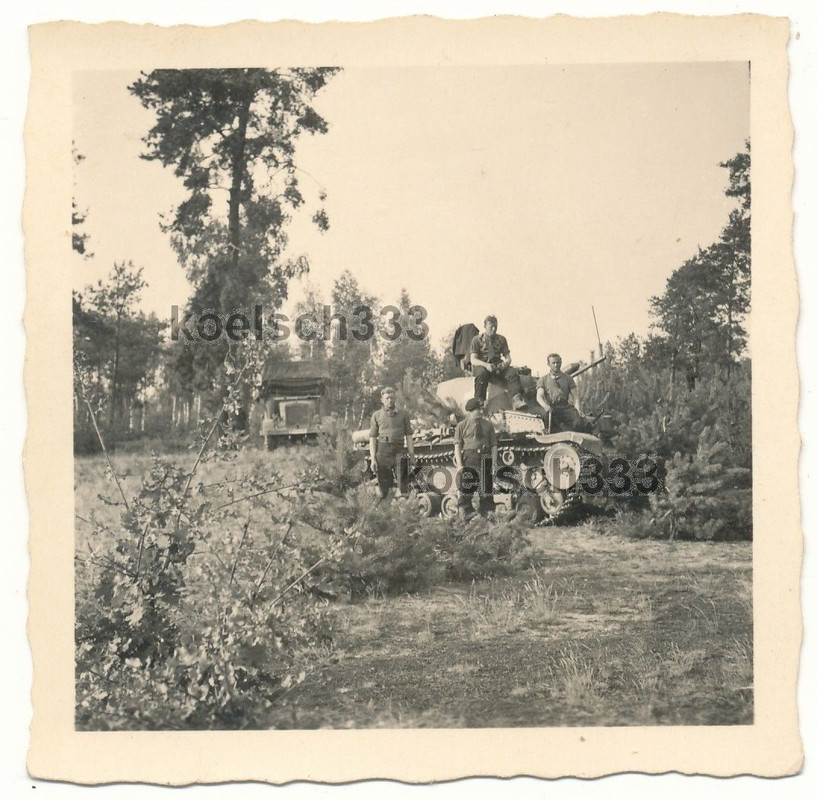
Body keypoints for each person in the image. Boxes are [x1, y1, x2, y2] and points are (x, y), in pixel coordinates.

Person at [453, 397, 498, 519]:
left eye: (480, 408)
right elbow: (457, 446)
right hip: (470, 457)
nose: (480, 411)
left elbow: (494, 445)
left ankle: (487, 515)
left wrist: (494, 462)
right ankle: (466, 514)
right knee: (467, 487)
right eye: (476, 409)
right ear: (470, 411)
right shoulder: (461, 426)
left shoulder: (488, 425)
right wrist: (459, 465)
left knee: (486, 488)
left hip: (485, 457)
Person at [469, 315, 525, 410]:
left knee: (512, 372)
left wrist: (504, 365)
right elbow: (473, 359)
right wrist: (486, 365)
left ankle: (516, 399)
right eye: (491, 326)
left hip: (497, 365)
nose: (494, 329)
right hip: (483, 365)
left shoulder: (501, 339)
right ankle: (479, 404)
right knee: (481, 375)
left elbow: (508, 358)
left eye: (496, 326)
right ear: (485, 326)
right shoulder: (477, 340)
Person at [369, 387, 415, 500]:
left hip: (400, 450)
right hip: (383, 451)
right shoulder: (376, 415)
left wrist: (412, 455)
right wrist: (373, 459)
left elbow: (409, 435)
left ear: (395, 399)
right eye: (387, 398)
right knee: (385, 487)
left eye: (392, 398)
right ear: (382, 400)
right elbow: (373, 438)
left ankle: (406, 511)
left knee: (404, 485)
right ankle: (387, 513)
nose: (389, 400)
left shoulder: (403, 414)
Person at [535, 353, 590, 433]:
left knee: (578, 422)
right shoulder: (543, 380)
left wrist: (578, 408)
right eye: (553, 363)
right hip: (552, 408)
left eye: (558, 362)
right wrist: (545, 406)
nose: (556, 365)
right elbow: (539, 396)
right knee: (549, 426)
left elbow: (575, 396)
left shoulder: (568, 379)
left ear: (561, 362)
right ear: (548, 364)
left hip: (565, 408)